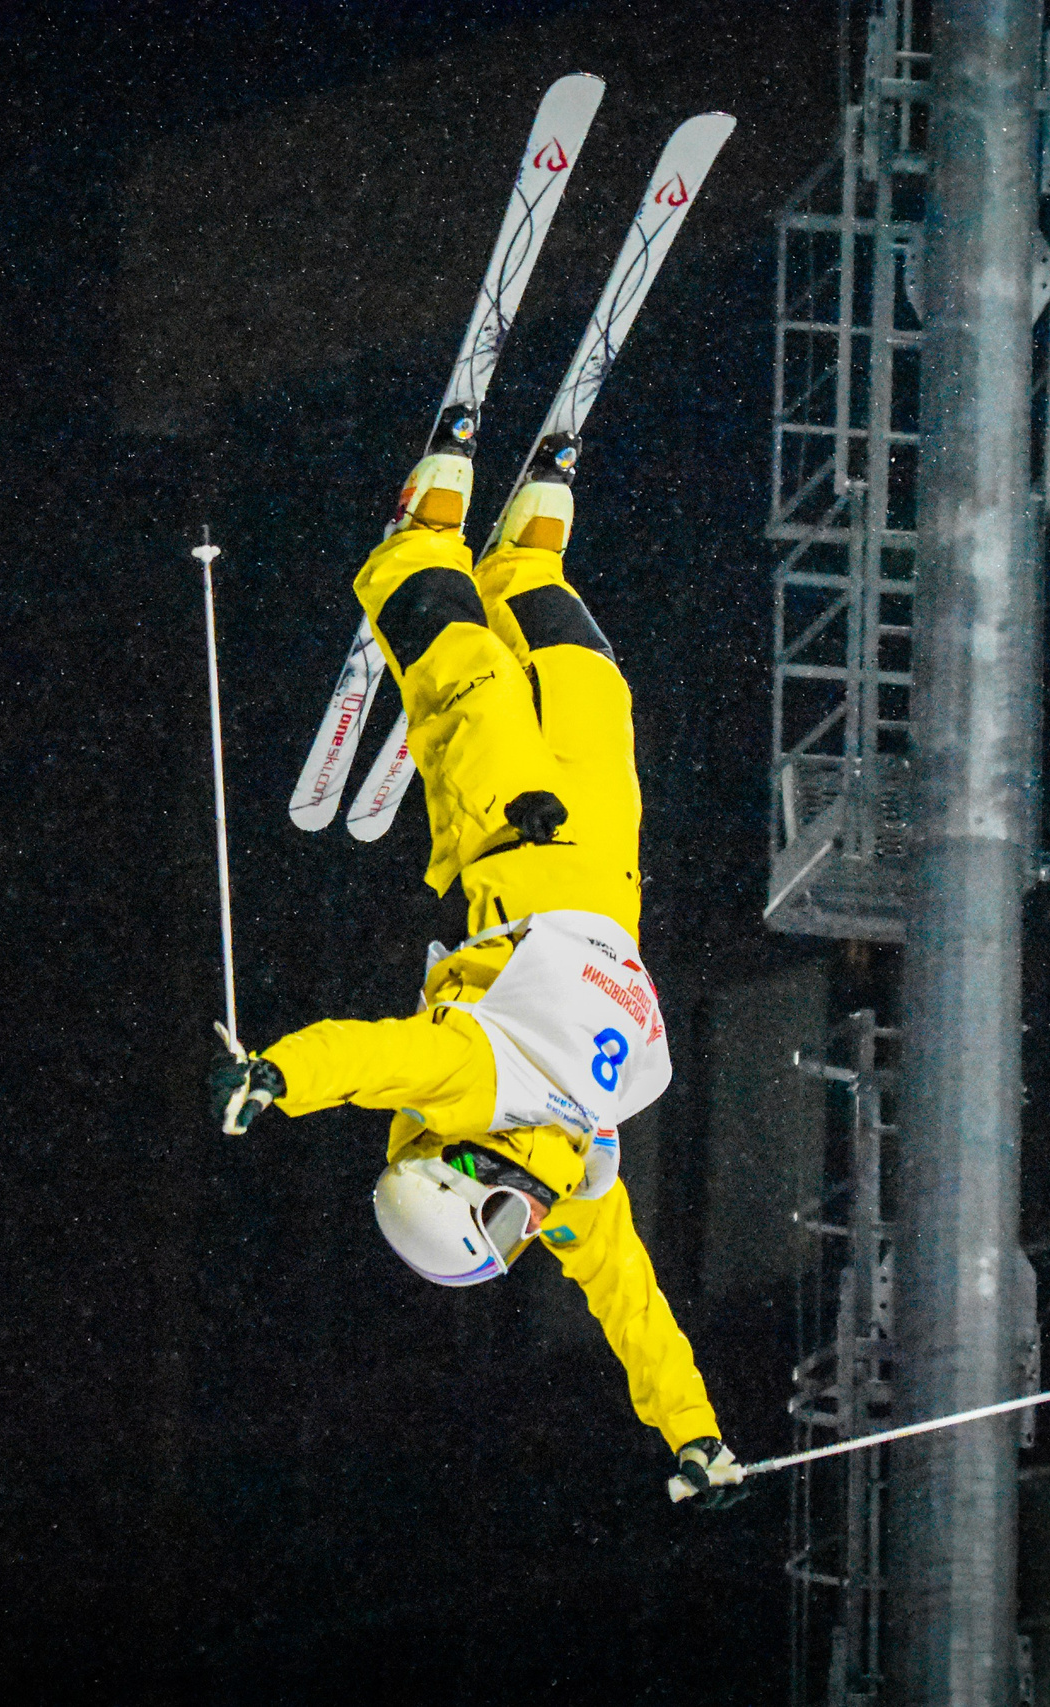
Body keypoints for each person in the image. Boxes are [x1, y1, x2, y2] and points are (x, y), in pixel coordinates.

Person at [211, 450, 744, 1509]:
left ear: (452, 1173)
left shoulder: (463, 1085)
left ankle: (419, 547)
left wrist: (274, 1077)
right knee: (592, 691)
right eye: (513, 1237)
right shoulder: (569, 1179)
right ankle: (528, 574)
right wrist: (695, 1435)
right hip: (605, 870)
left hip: (508, 851)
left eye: (497, 1221)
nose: (525, 1222)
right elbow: (632, 1310)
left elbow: (370, 1057)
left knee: (471, 685)